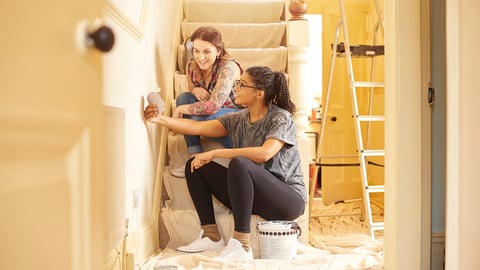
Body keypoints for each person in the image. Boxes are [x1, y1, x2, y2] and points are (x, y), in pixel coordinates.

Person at [144, 66, 307, 261]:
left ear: (259, 93)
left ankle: (242, 244)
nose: (235, 87)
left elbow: (264, 153)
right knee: (195, 166)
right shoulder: (237, 119)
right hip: (252, 197)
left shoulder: (281, 117)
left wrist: (216, 153)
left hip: (287, 200)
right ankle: (211, 235)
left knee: (240, 163)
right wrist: (159, 118)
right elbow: (196, 127)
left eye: (241, 84)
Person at [173, 26, 243, 177]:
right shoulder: (191, 67)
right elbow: (190, 95)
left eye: (207, 51)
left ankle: (234, 151)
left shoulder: (228, 68)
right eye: (196, 51)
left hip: (235, 116)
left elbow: (212, 107)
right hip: (213, 116)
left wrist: (179, 111)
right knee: (183, 98)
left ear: (218, 51)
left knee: (197, 117)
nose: (200, 57)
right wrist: (194, 90)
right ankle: (193, 155)